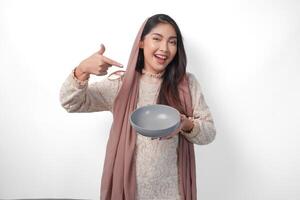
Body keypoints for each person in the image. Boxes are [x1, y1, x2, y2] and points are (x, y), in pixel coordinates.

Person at [60, 14, 216, 200]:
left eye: (172, 42)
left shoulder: (186, 84)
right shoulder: (121, 85)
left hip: (174, 194)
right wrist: (82, 70)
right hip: (128, 193)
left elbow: (209, 132)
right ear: (141, 42)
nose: (164, 48)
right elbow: (71, 102)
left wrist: (186, 124)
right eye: (157, 39)